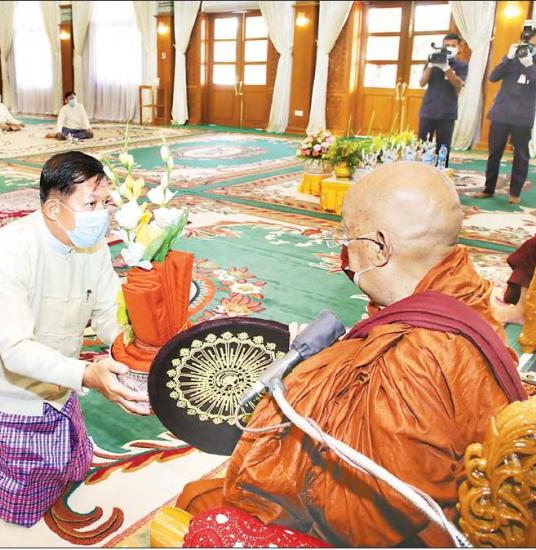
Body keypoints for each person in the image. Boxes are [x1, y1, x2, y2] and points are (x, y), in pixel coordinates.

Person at [176, 162, 524, 547]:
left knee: (203, 510)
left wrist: (307, 381)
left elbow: (361, 521)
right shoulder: (468, 297)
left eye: (347, 236)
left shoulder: (412, 360)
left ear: (379, 248)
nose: (344, 252)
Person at [0, 151, 150, 527]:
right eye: (90, 204)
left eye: (104, 203)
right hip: (5, 392)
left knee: (73, 467)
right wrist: (87, 375)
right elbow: (15, 351)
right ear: (54, 209)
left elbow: (108, 311)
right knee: (24, 503)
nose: (101, 215)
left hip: (59, 381)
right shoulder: (6, 253)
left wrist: (133, 354)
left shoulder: (91, 245)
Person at [474, 31, 536, 205]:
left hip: (523, 116)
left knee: (521, 155)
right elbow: (493, 77)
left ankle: (515, 193)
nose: (529, 47)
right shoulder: (511, 59)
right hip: (501, 113)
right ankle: (488, 189)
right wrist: (508, 58)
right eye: (528, 43)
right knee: (494, 153)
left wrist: (530, 65)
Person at [418, 33, 467, 168]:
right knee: (422, 146)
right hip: (428, 110)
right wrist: (431, 65)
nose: (449, 48)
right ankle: (420, 173)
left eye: (453, 46)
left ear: (459, 48)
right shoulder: (432, 60)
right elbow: (422, 83)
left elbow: (458, 85)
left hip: (447, 112)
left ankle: (441, 174)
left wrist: (446, 68)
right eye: (446, 45)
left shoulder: (461, 65)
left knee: (443, 148)